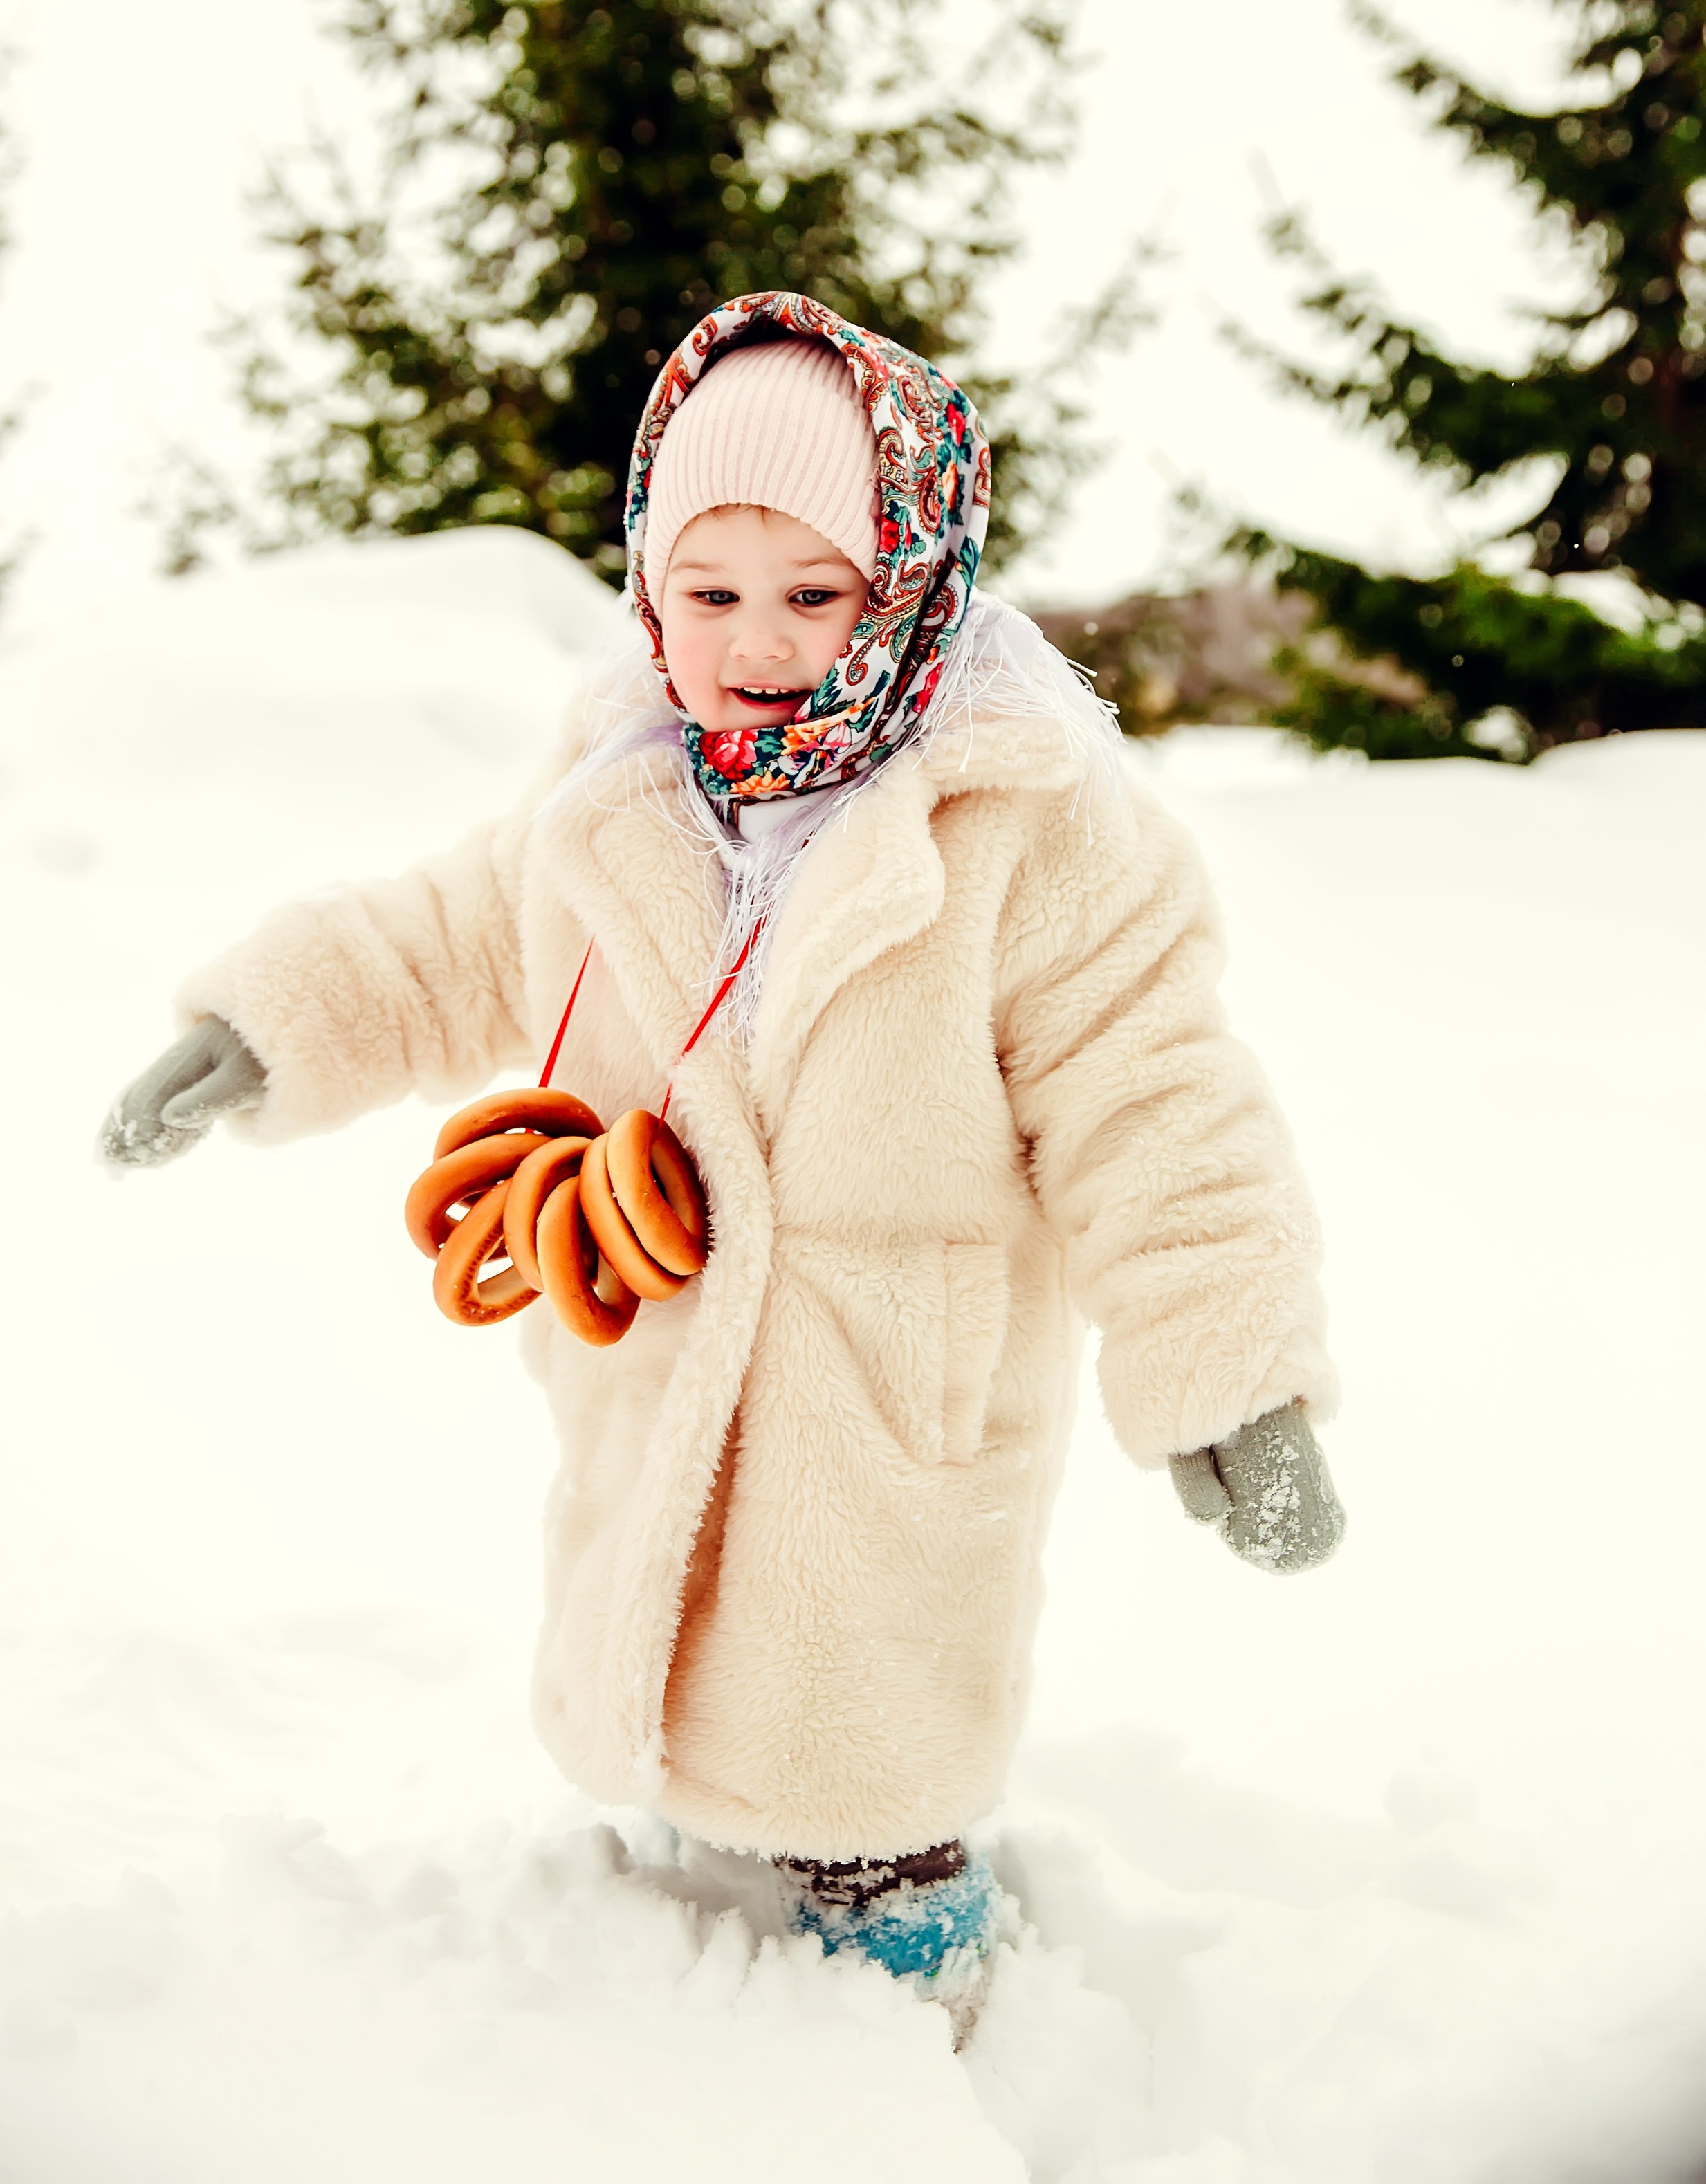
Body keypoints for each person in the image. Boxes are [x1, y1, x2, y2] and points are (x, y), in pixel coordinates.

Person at [102, 293, 1343, 2037]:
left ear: (909, 573)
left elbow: (1152, 1091)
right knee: (674, 1642)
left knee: (859, 1723)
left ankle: (912, 1991)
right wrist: (271, 1026)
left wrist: (1228, 1374)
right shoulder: (618, 783)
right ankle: (696, 1895)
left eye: (814, 594)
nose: (755, 642)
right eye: (709, 593)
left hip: (887, 1383)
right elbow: (459, 934)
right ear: (647, 585)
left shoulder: (1029, 818)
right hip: (662, 1328)